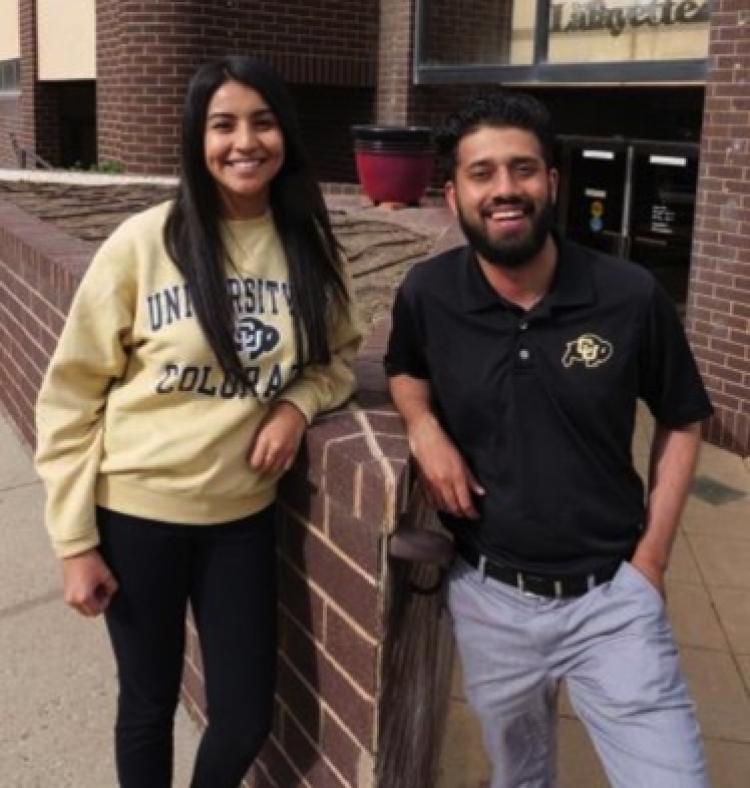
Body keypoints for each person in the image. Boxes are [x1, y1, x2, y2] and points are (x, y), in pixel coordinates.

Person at [34, 56, 360, 788]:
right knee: (148, 705)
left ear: (285, 135)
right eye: (223, 125)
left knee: (245, 717)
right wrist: (74, 542)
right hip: (136, 513)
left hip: (241, 520)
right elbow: (70, 396)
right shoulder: (144, 244)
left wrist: (295, 405)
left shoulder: (309, 245)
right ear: (197, 138)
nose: (244, 142)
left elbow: (341, 356)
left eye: (262, 121)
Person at [384, 92, 712, 787]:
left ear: (552, 183)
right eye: (483, 173)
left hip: (612, 598)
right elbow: (404, 369)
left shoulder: (628, 294)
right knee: (519, 778)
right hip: (489, 597)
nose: (506, 189)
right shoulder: (428, 292)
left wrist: (650, 562)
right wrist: (423, 427)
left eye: (523, 169)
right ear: (454, 194)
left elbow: (684, 417)